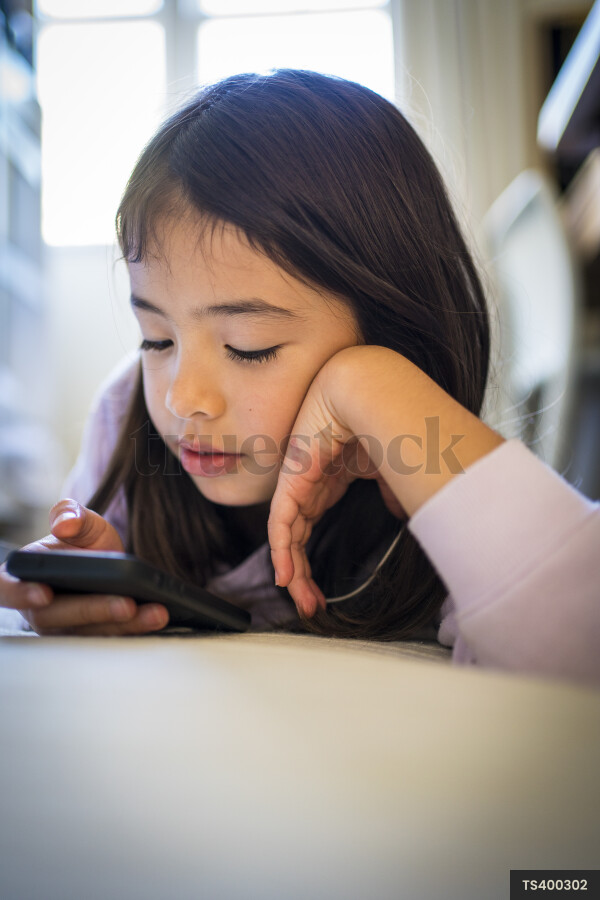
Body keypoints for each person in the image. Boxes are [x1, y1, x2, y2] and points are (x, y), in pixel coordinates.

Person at [0, 70, 598, 683]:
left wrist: (366, 385)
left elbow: (579, 651)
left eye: (249, 348)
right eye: (156, 338)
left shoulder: (427, 471)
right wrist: (69, 600)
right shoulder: (126, 415)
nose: (182, 398)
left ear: (394, 338)